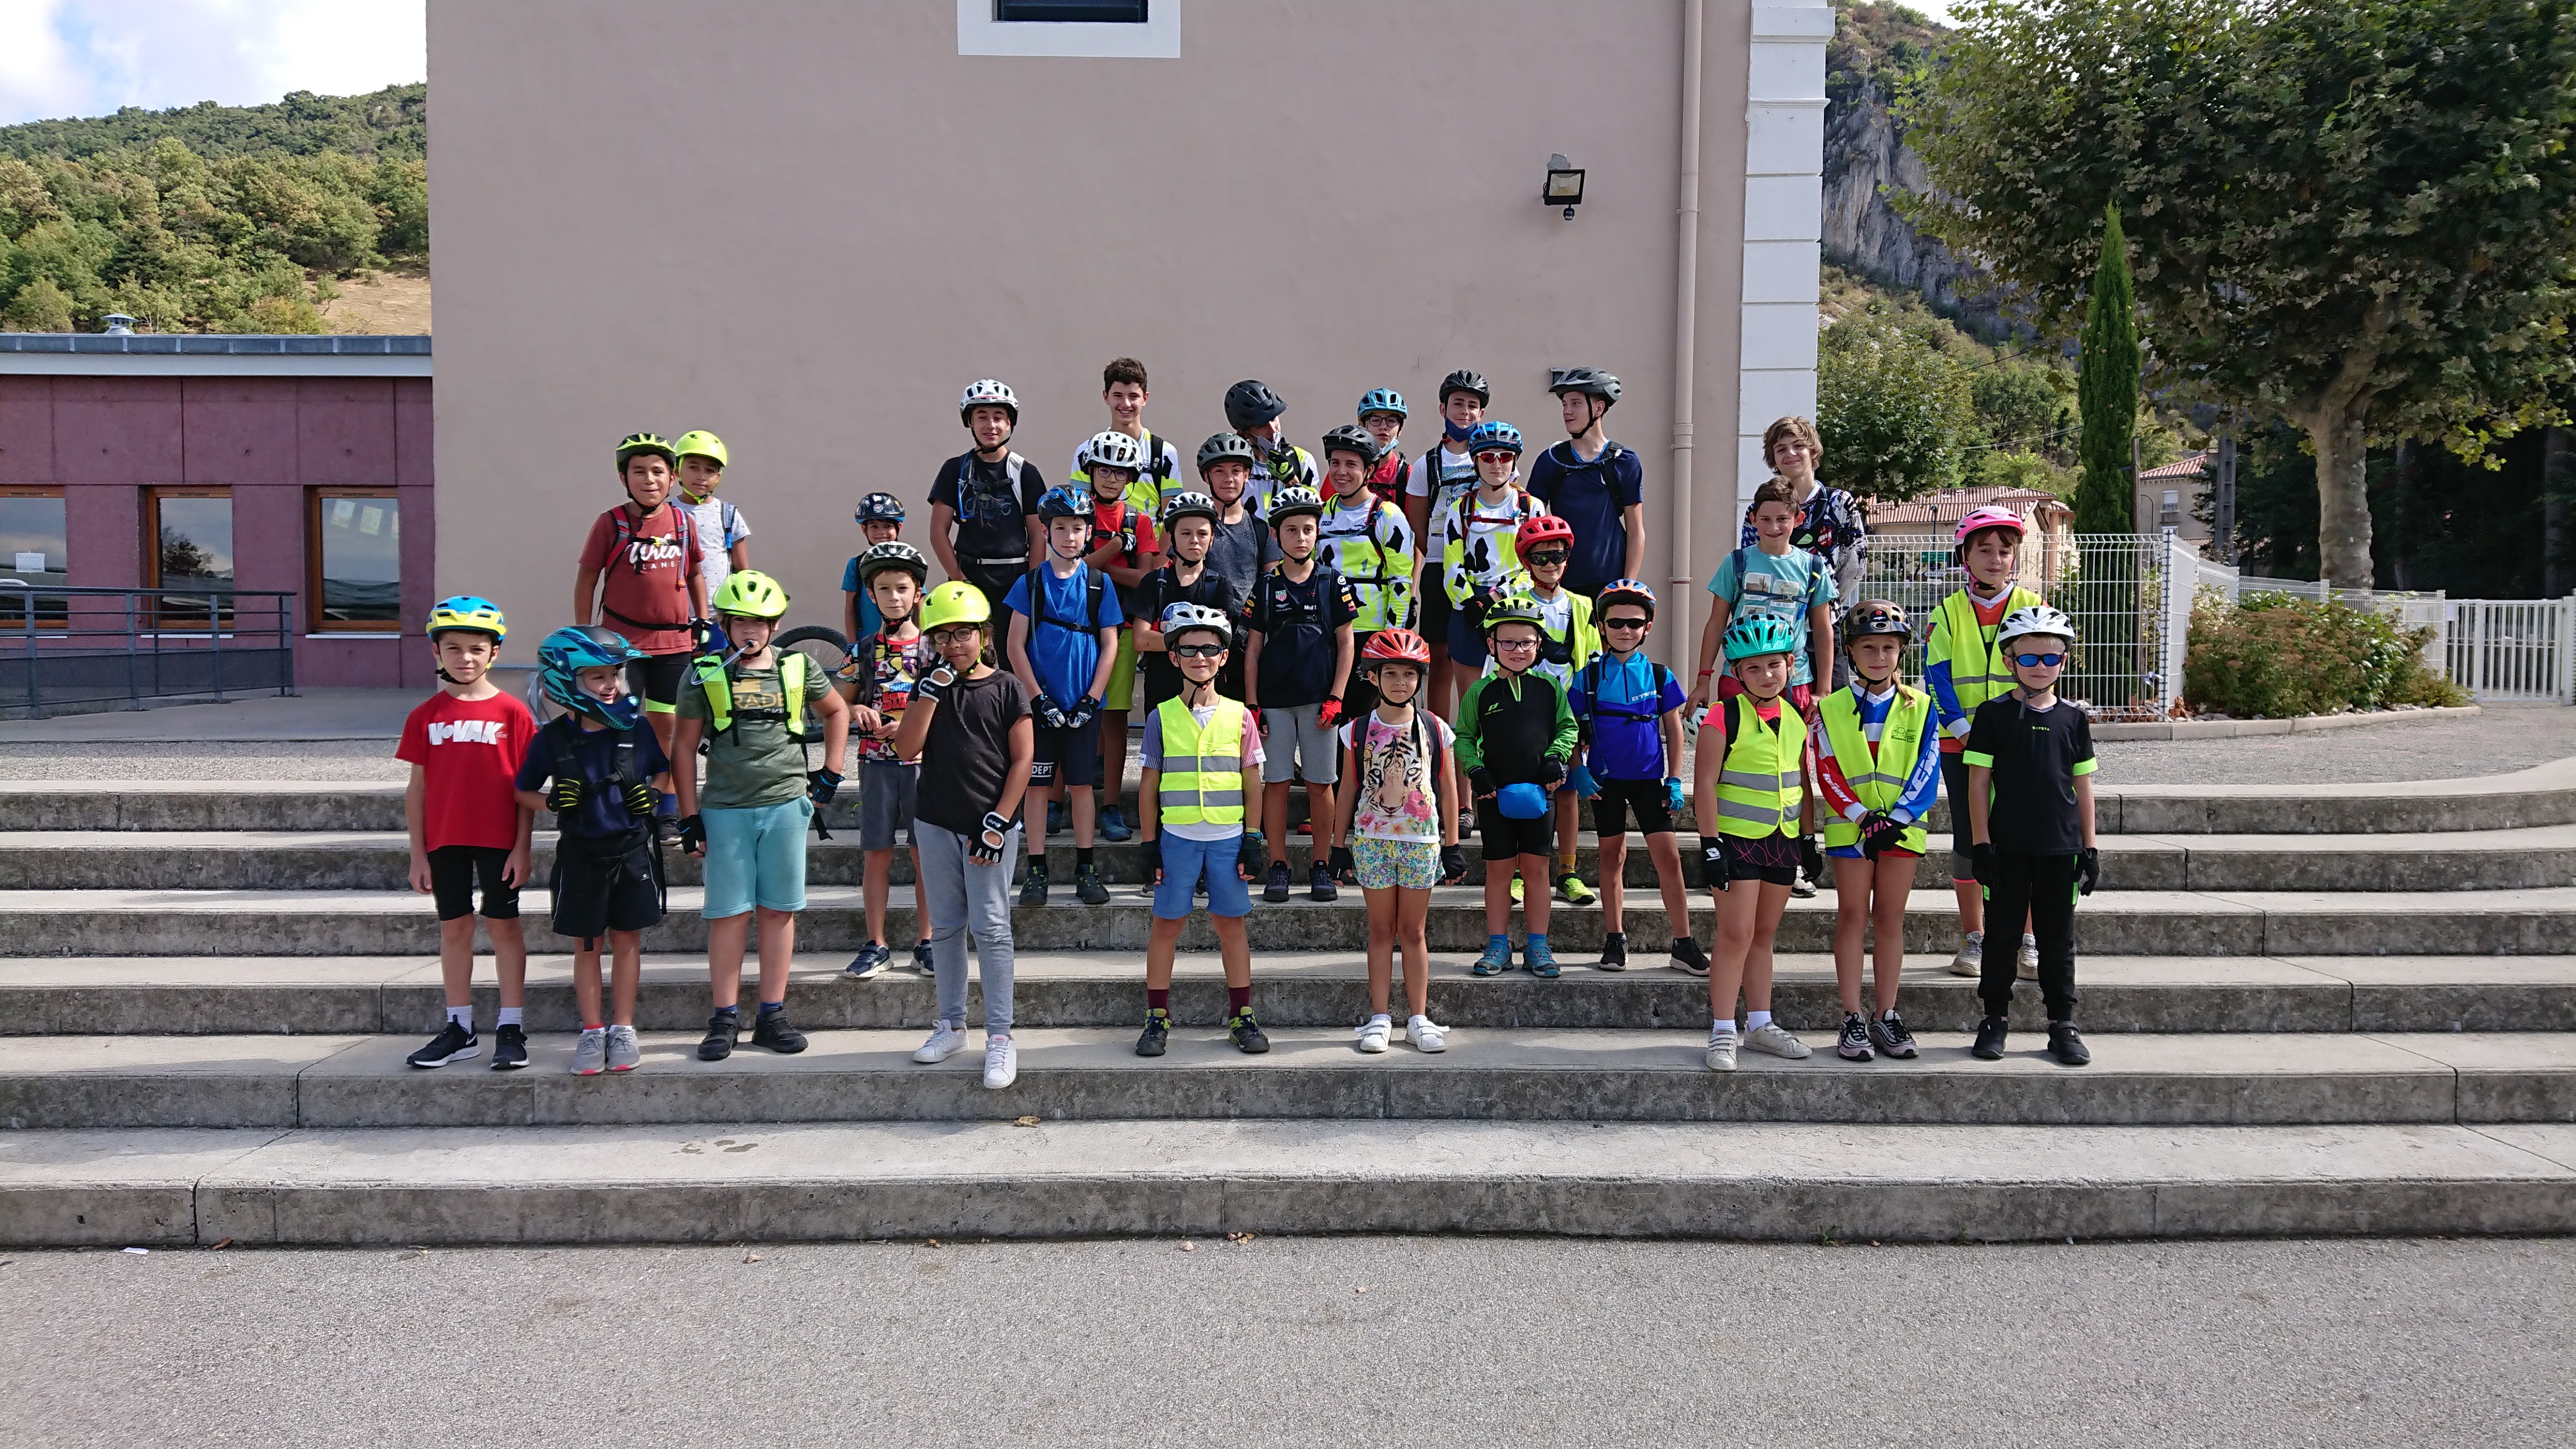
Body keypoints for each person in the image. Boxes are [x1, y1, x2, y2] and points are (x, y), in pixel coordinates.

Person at [672, 569, 850, 1062]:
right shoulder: (704, 673)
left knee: (777, 911)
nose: (750, 631)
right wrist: (689, 816)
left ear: (775, 626)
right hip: (726, 809)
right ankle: (724, 1018)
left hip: (785, 805)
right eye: (740, 622)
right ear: (725, 626)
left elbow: (837, 711)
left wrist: (831, 773)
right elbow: (683, 747)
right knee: (728, 915)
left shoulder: (797, 667)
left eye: (760, 622)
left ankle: (772, 1015)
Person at [894, 582, 1037, 1090]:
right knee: (947, 928)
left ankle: (1000, 1036)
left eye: (963, 634)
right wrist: (929, 695)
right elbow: (906, 749)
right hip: (935, 821)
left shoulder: (1007, 687)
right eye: (942, 636)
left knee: (992, 928)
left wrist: (1000, 821)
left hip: (988, 829)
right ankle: (951, 1026)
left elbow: (1023, 759)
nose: (952, 644)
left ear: (984, 635)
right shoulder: (928, 686)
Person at [517, 625, 668, 1075]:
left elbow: (663, 772)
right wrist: (549, 802)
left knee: (626, 941)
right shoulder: (550, 739)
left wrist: (653, 796)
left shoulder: (637, 730)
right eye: (597, 677)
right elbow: (521, 791)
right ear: (566, 681)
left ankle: (623, 1028)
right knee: (587, 946)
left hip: (631, 852)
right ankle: (591, 1030)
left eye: (615, 675)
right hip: (581, 855)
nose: (611, 685)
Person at [399, 596, 535, 1069]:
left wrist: (522, 847)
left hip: (500, 841)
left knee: (504, 927)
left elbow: (525, 790)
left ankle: (511, 1026)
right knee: (454, 928)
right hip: (444, 841)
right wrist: (418, 855)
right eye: (453, 648)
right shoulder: (425, 716)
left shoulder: (514, 714)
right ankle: (460, 1028)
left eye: (476, 649)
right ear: (436, 652)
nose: (465, 658)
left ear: (494, 653)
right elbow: (417, 789)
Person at [1689, 476, 1838, 900]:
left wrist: (1824, 688)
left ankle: (1791, 856)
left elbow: (1823, 629)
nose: (1773, 527)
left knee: (1791, 767)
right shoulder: (1736, 563)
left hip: (1794, 679)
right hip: (1739, 676)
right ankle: (1720, 849)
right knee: (1729, 764)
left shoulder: (1812, 567)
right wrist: (1703, 678)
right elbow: (1715, 622)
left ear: (1797, 519)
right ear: (1752, 519)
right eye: (1766, 519)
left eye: (1782, 519)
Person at [1134, 602, 1271, 1058]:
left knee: (1230, 926)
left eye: (1210, 649)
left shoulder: (1240, 716)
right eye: (1189, 649)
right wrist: (1148, 844)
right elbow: (1149, 784)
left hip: (1227, 838)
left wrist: (1253, 838)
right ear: (1173, 657)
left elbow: (1253, 781)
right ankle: (1157, 1017)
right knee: (1167, 925)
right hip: (1178, 838)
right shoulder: (1160, 717)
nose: (1200, 658)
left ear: (1224, 656)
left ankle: (1242, 1016)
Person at [1964, 605, 2099, 1068]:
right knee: (2001, 937)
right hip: (2005, 847)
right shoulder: (1992, 714)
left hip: (2060, 848)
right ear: (2009, 662)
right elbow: (1977, 784)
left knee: (2057, 941)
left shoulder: (2074, 719)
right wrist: (1980, 845)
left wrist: (2090, 847)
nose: (2040, 667)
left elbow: (2083, 785)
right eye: (2028, 658)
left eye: (2050, 658)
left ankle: (2062, 1024)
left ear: (2064, 661)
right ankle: (1994, 1019)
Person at [1813, 600, 1938, 1062]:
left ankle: (1886, 1014)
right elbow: (1825, 768)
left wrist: (1897, 819)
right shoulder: (1830, 708)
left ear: (1901, 651)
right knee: (1852, 916)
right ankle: (1851, 1017)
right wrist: (1861, 817)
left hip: (1901, 832)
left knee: (1889, 919)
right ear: (1850, 651)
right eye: (1869, 647)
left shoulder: (1921, 707)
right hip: (1852, 830)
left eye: (1888, 647)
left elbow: (1928, 768)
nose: (1879, 656)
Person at [1692, 614, 1818, 1072]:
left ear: (1790, 665)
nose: (1766, 675)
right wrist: (1709, 844)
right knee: (1736, 934)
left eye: (1774, 665)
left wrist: (1808, 838)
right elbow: (1704, 783)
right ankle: (1723, 1030)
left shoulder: (1795, 718)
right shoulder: (1723, 716)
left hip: (1782, 840)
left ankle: (1760, 1025)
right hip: (1735, 840)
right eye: (1753, 668)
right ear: (1737, 673)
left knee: (1763, 935)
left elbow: (1802, 781)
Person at [1926, 506, 2047, 981]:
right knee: (1969, 840)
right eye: (1984, 551)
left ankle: (2026, 939)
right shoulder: (1946, 612)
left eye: (2004, 551)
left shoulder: (2032, 606)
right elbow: (1936, 676)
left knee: (2024, 839)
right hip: (1960, 744)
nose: (1995, 560)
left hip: (2019, 742)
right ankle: (1973, 937)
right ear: (1965, 557)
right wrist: (1961, 729)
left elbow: (2043, 671)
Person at [1330, 628, 1465, 1052]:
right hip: (1371, 840)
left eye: (1409, 674)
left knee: (1413, 930)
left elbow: (1448, 789)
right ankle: (1380, 1017)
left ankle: (1418, 1018)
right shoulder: (1356, 730)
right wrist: (1337, 845)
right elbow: (1347, 789)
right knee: (1380, 929)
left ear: (1420, 678)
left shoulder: (1434, 728)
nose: (1400, 682)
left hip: (1420, 842)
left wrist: (1452, 844)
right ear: (1373, 677)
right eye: (1390, 673)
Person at [1565, 580, 1706, 975]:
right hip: (1604, 783)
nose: (1624, 630)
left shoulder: (1659, 676)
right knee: (1612, 857)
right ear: (1602, 626)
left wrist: (1675, 779)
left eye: (1634, 623)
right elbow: (1569, 728)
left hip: (1648, 781)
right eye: (1615, 623)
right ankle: (1615, 939)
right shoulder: (1588, 677)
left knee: (1670, 859)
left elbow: (1673, 730)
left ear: (1648, 626)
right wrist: (1578, 769)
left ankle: (1683, 943)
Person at [573, 431, 708, 833]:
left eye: (657, 471)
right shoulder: (610, 523)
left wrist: (703, 621)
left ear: (672, 478)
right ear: (623, 478)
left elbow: (695, 575)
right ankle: (618, 802)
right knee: (618, 722)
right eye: (639, 471)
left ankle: (665, 806)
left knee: (668, 727)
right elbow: (587, 579)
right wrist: (585, 634)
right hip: (621, 646)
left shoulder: (683, 523)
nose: (649, 479)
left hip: (674, 644)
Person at [1004, 486, 1124, 907]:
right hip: (1041, 709)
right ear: (1045, 531)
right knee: (1037, 788)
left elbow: (1110, 644)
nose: (1069, 536)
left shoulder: (1099, 584)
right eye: (1060, 528)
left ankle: (1086, 869)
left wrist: (1092, 698)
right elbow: (1014, 645)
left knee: (1081, 786)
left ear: (1088, 532)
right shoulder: (1030, 583)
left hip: (1082, 707)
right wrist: (1037, 698)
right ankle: (1036, 871)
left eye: (1077, 528)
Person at [1244, 485, 1358, 903]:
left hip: (1318, 702)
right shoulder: (1265, 585)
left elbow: (1346, 642)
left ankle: (1321, 865)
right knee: (1275, 784)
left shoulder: (1331, 581)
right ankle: (1278, 865)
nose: (1300, 537)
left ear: (1317, 532)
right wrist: (1253, 704)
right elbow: (1252, 649)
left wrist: (1337, 696)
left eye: (1308, 529)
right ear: (1276, 534)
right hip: (1274, 703)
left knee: (1319, 784)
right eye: (1291, 530)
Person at [1453, 596, 1577, 980]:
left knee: (1537, 871)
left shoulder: (1550, 687)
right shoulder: (1480, 691)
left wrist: (1556, 757)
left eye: (1526, 642)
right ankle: (1497, 944)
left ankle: (1538, 945)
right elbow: (1463, 737)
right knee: (1499, 872)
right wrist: (1475, 770)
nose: (1518, 650)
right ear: (1491, 645)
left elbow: (1567, 727)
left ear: (1539, 644)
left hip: (1540, 794)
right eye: (1507, 642)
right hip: (1494, 794)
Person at [841, 540, 938, 980]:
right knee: (876, 855)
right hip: (875, 764)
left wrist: (910, 728)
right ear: (871, 594)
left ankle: (927, 940)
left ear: (918, 593)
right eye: (884, 589)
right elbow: (838, 705)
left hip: (923, 767)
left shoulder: (934, 651)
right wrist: (856, 710)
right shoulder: (861, 650)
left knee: (924, 856)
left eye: (902, 588)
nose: (894, 597)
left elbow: (949, 709)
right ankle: (876, 943)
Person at [1503, 511, 1599, 906]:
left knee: (1568, 793)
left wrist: (1587, 718)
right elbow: (1499, 661)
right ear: (1527, 562)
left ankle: (1567, 872)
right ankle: (1518, 872)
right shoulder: (1514, 603)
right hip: (1524, 715)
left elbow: (1593, 663)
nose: (1550, 564)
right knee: (1521, 792)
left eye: (1557, 556)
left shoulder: (1582, 606)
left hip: (1566, 717)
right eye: (1540, 557)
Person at [1071, 430, 1161, 844]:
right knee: (1070, 711)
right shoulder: (1075, 513)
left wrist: (1098, 565)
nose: (1111, 479)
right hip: (1075, 629)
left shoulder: (1138, 521)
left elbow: (1144, 578)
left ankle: (1110, 804)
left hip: (1121, 628)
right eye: (1104, 471)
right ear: (1091, 472)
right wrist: (1113, 552)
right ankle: (1057, 799)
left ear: (1131, 478)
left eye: (1120, 472)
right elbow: (1071, 569)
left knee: (1114, 718)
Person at [1739, 416, 1869, 689]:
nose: (1790, 453)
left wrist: (1823, 601)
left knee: (1830, 704)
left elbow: (1855, 564)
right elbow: (1750, 565)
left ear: (1813, 452)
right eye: (1781, 449)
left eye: (1798, 446)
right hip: (1772, 633)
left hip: (1824, 629)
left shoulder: (1838, 503)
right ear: (1773, 459)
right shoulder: (1758, 511)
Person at [1317, 421, 1416, 728]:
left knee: (1364, 722)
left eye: (1351, 464)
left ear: (1369, 470)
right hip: (1329, 631)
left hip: (1371, 632)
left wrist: (1393, 638)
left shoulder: (1387, 515)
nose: (1341, 472)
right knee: (1331, 720)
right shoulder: (1322, 514)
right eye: (1335, 463)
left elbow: (1401, 581)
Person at [930, 379, 1047, 623]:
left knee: (1011, 646)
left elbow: (1038, 535)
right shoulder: (955, 470)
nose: (991, 425)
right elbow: (938, 532)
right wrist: (959, 579)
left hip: (1015, 580)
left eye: (998, 417)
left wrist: (1032, 584)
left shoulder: (1025, 472)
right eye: (982, 417)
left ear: (1009, 423)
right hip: (969, 577)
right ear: (970, 422)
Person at [1407, 369, 1488, 720]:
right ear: (1443, 409)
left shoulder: (1493, 456)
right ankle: (1438, 735)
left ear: (1482, 413)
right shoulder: (1425, 464)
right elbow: (1417, 523)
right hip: (1440, 569)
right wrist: (1443, 555)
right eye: (1458, 404)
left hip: (1483, 572)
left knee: (1476, 659)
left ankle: (1474, 736)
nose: (1464, 412)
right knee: (1439, 659)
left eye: (1472, 405)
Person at [1438, 420, 1546, 678]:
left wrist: (1496, 598)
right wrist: (1471, 603)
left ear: (1514, 461)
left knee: (1513, 694)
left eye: (1505, 457)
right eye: (1487, 457)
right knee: (1471, 697)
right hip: (1469, 607)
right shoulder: (1461, 509)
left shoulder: (1531, 508)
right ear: (1476, 461)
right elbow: (1452, 564)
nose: (1497, 464)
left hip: (1515, 604)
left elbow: (1536, 568)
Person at [1526, 368, 1645, 599]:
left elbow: (1636, 530)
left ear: (1598, 408)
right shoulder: (1551, 460)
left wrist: (1627, 586)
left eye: (1576, 403)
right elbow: (1530, 524)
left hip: (1609, 585)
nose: (1567, 411)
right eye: (1564, 404)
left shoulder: (1624, 461)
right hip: (1559, 585)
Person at [1130, 491, 1247, 720]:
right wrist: (1200, 637)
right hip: (1162, 693)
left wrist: (1167, 632)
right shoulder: (1155, 583)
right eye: (1186, 533)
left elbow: (1222, 642)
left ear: (1212, 539)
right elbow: (1141, 639)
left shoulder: (1219, 585)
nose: (1194, 540)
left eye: (1202, 533)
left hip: (1208, 698)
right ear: (1172, 537)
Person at [1194, 432, 1277, 698]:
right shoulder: (1192, 527)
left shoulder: (1261, 530)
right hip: (1201, 642)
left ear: (1247, 475)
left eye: (1236, 470)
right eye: (1219, 471)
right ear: (1206, 476)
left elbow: (1274, 586)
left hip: (1248, 644)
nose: (1228, 478)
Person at [1071, 356, 1187, 516]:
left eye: (1133, 396)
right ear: (1106, 397)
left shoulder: (1164, 454)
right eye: (1118, 395)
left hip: (1151, 533)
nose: (1126, 404)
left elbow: (1171, 519)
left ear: (1145, 398)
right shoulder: (1085, 452)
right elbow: (1080, 515)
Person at [672, 429, 751, 599]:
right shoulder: (666, 513)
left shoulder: (728, 514)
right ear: (677, 470)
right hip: (676, 609)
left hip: (719, 610)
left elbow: (742, 570)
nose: (702, 477)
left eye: (710, 471)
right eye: (693, 468)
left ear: (718, 477)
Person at [1224, 378, 1318, 507]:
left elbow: (1317, 510)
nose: (1273, 430)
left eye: (1273, 419)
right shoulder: (1234, 466)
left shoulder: (1302, 459)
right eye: (1262, 425)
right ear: (1244, 432)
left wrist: (1291, 481)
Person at [840, 492, 910, 653]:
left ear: (898, 528)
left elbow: (919, 604)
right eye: (874, 527)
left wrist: (920, 641)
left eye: (887, 526)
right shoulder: (856, 565)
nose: (881, 532)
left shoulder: (909, 562)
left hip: (904, 645)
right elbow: (850, 608)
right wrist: (852, 646)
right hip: (867, 645)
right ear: (864, 529)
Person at [1355, 388, 1410, 511]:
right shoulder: (1344, 470)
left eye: (1391, 421)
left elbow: (1416, 522)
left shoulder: (1408, 476)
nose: (1384, 427)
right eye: (1376, 420)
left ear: (1400, 429)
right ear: (1362, 426)